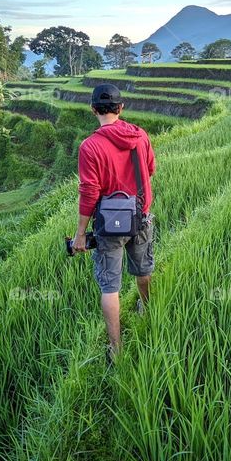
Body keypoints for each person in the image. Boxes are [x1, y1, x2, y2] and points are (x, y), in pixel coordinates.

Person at [73, 83, 156, 361]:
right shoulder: (140, 135)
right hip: (140, 216)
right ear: (121, 108)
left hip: (108, 225)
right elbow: (150, 169)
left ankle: (116, 348)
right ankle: (147, 308)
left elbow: (89, 192)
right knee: (143, 270)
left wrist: (81, 234)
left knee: (110, 287)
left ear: (93, 109)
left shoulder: (90, 146)